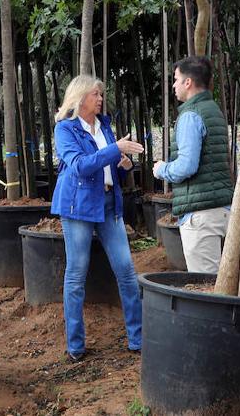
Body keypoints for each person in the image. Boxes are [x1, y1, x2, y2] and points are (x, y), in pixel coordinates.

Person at [51, 74, 145, 362]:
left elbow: (108, 168)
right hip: (78, 206)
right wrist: (115, 149)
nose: (101, 99)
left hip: (107, 203)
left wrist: (123, 165)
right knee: (77, 274)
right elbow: (80, 166)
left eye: (101, 94)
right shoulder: (65, 130)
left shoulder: (104, 125)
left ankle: (138, 339)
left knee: (127, 270)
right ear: (80, 99)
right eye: (95, 94)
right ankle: (76, 346)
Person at [152, 55, 232, 274]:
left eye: (176, 79)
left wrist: (162, 170)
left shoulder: (191, 115)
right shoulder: (213, 109)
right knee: (224, 283)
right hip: (222, 209)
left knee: (207, 287)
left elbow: (187, 166)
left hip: (201, 215)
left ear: (188, 82)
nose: (174, 85)